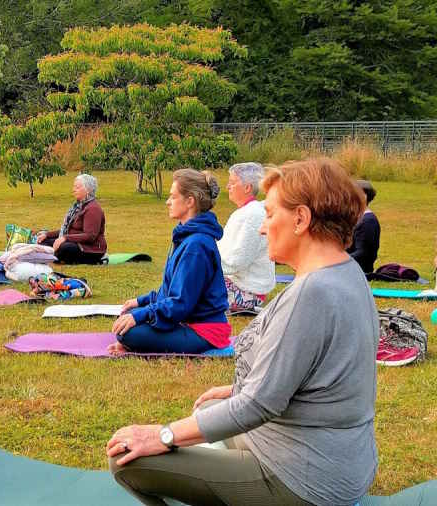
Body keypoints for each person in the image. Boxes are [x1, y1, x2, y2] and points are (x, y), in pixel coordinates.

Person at [107, 157, 378, 506]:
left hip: (302, 479)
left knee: (127, 458)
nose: (263, 228)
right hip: (338, 461)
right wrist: (233, 389)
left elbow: (257, 405)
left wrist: (163, 435)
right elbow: (311, 377)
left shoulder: (311, 294)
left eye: (268, 215)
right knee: (206, 415)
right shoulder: (347, 274)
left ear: (301, 219)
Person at [109, 170, 230, 355]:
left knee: (129, 332)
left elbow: (180, 304)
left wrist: (141, 315)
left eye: (173, 197)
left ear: (190, 201)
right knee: (127, 318)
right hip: (188, 320)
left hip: (203, 331)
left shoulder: (196, 246)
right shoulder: (187, 237)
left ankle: (133, 343)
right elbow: (171, 291)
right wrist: (140, 302)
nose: (168, 201)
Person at [217, 162, 275, 313]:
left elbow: (238, 261)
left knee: (194, 281)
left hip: (249, 291)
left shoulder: (253, 215)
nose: (227, 187)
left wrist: (208, 265)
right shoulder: (246, 212)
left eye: (232, 183)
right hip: (238, 283)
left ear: (247, 187)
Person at [34, 174, 107, 264]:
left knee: (64, 248)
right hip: (74, 242)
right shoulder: (78, 206)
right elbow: (68, 230)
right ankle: (51, 255)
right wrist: (47, 234)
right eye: (74, 187)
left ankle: (51, 256)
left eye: (77, 187)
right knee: (43, 241)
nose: (73, 190)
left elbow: (90, 236)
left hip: (90, 249)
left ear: (88, 190)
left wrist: (65, 238)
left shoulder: (93, 209)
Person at [346, 179, 380, 274]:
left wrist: (337, 261)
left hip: (360, 270)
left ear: (364, 197)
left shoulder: (368, 221)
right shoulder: (355, 217)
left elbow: (363, 253)